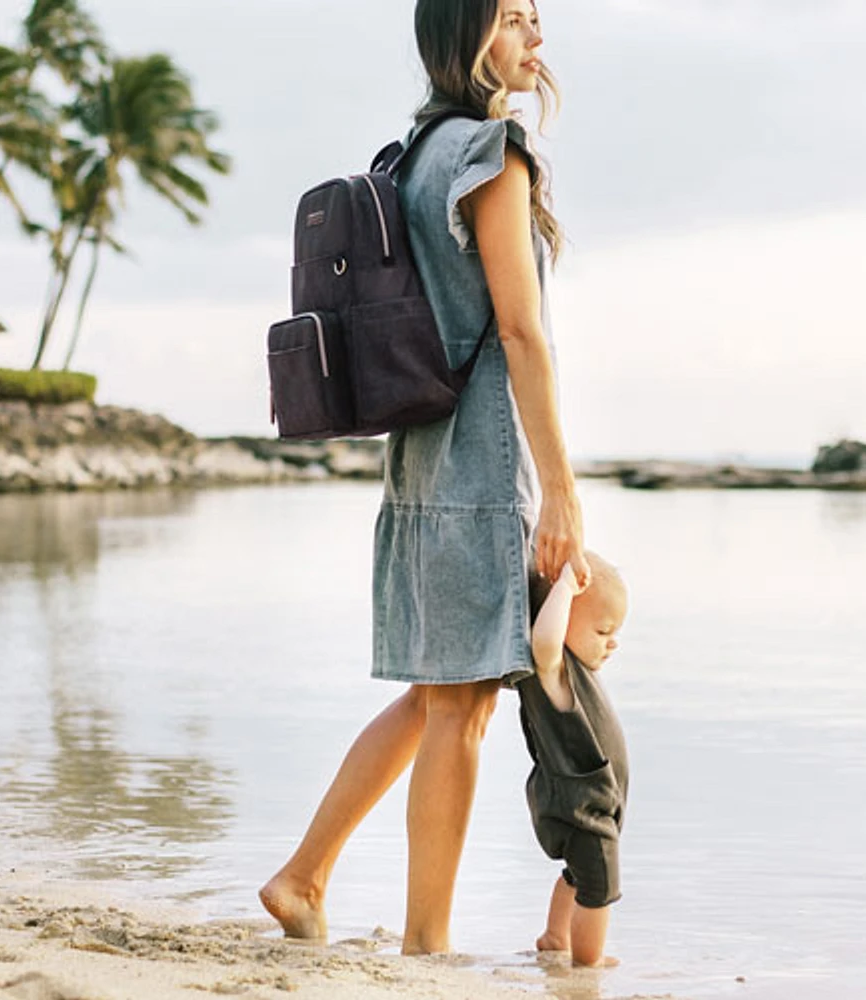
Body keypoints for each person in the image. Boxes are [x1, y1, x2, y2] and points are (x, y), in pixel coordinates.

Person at [260, 0, 589, 955]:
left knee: (430, 695)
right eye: (518, 17)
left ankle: (304, 876)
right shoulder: (491, 154)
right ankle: (426, 945)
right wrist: (561, 489)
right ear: (469, 33)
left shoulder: (410, 156)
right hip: (482, 461)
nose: (538, 36)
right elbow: (521, 332)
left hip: (417, 456)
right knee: (462, 703)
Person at [519, 554, 629, 968]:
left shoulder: (575, 672)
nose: (612, 641)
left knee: (578, 871)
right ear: (561, 616)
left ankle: (555, 936)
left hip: (590, 800)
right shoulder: (553, 668)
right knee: (598, 886)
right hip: (582, 800)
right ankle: (587, 962)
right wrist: (564, 586)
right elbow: (544, 641)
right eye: (602, 630)